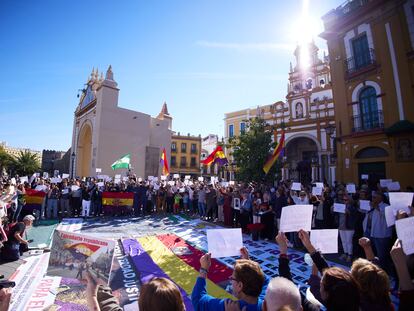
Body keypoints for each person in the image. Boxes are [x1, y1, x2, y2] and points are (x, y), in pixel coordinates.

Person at [192, 251, 268, 310]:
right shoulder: (267, 303)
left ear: (240, 285)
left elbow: (198, 299)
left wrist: (204, 269)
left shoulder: (228, 306)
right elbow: (265, 281)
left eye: (232, 278)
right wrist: (248, 265)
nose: (230, 277)